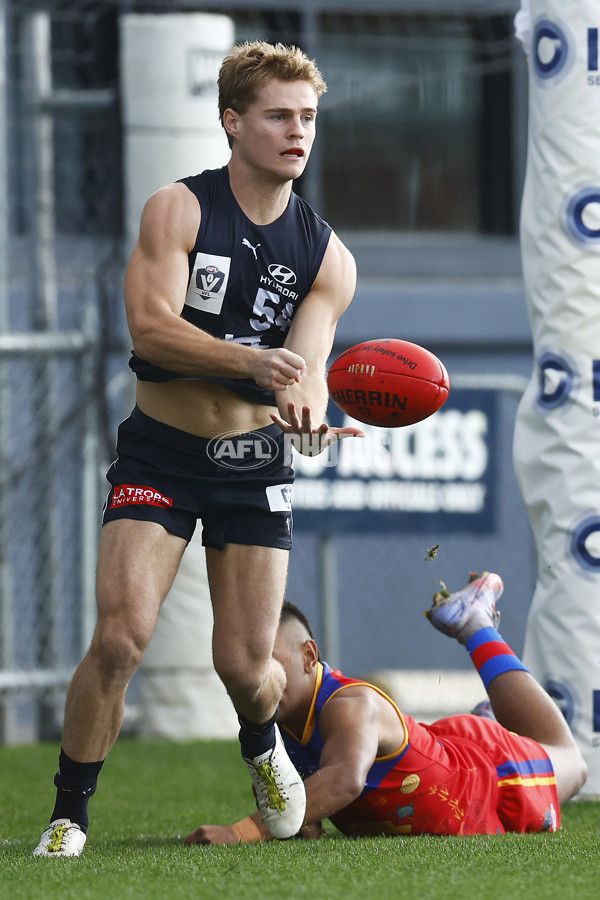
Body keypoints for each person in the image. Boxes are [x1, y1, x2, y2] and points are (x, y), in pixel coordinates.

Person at [33, 40, 363, 857]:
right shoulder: (177, 210)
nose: (299, 132)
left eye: (309, 118)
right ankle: (69, 816)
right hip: (163, 454)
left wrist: (310, 414)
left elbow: (310, 368)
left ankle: (262, 746)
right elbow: (150, 328)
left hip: (256, 466)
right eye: (280, 115)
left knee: (249, 669)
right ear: (232, 122)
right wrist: (253, 362)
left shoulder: (328, 257)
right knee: (120, 638)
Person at [185, 572, 588, 844]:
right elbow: (297, 815)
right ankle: (487, 714)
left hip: (490, 779)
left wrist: (240, 833)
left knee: (571, 759)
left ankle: (475, 625)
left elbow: (344, 781)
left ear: (310, 656)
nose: (259, 674)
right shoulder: (272, 719)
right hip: (437, 750)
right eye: (251, 663)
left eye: (271, 660)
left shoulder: (350, 705)